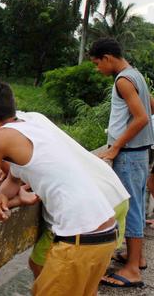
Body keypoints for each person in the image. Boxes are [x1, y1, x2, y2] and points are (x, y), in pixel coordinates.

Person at [0, 80, 120, 295]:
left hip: (80, 238)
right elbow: (12, 182)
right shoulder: (33, 124)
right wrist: (4, 197)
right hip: (105, 232)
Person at [89, 38, 154, 287]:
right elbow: (149, 109)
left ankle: (133, 270)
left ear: (107, 57)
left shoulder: (123, 80)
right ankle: (137, 257)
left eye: (97, 63)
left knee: (133, 207)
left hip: (128, 154)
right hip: (139, 153)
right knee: (136, 202)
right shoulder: (136, 75)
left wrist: (115, 147)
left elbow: (141, 119)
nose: (98, 69)